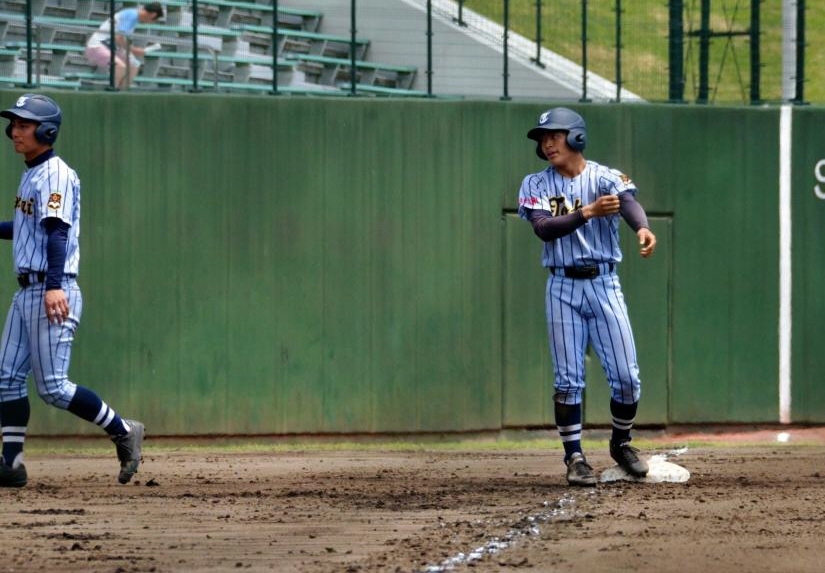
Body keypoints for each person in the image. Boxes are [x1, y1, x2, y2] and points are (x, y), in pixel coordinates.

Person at [0, 94, 144, 488]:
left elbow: (58, 233)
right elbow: (26, 229)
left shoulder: (55, 173)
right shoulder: (32, 172)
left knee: (53, 388)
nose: (15, 131)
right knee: (6, 377)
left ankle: (123, 429)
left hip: (51, 288)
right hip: (28, 290)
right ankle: (11, 464)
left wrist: (54, 287)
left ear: (47, 131)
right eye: (13, 123)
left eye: (25, 125)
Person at [517, 107, 657, 487]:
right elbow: (544, 229)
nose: (547, 143)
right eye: (542, 138)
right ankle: (574, 456)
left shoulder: (604, 177)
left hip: (604, 283)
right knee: (568, 380)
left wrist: (641, 228)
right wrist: (588, 212)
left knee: (627, 377)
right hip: (561, 285)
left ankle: (621, 442)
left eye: (554, 135)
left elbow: (627, 202)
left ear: (576, 137)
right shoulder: (535, 184)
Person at [84, 2, 164, 89]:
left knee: (134, 65)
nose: (151, 23)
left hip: (112, 47)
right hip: (97, 47)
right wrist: (134, 50)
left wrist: (133, 50)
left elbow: (121, 39)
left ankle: (121, 93)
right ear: (153, 15)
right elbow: (118, 38)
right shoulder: (131, 15)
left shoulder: (134, 18)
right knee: (120, 66)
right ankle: (112, 92)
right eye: (154, 20)